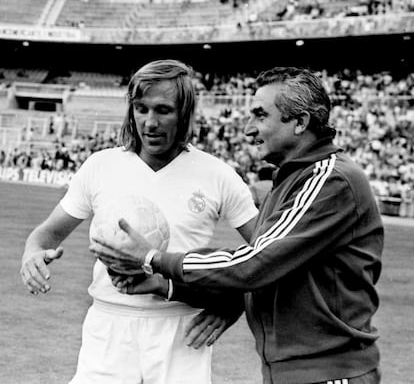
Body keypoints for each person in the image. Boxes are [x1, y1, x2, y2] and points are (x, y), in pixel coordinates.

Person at [91, 67, 384, 384]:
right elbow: (271, 272)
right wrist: (165, 286)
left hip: (329, 372)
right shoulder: (291, 181)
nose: (248, 129)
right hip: (299, 371)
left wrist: (152, 259)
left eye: (260, 115)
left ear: (300, 122)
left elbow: (255, 263)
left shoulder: (329, 180)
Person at [20, 59, 258, 384]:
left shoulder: (218, 175)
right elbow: (46, 234)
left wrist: (234, 306)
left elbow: (268, 256)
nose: (150, 122)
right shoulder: (100, 166)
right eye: (141, 108)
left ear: (184, 113)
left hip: (182, 329)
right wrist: (33, 252)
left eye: (163, 110)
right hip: (108, 325)